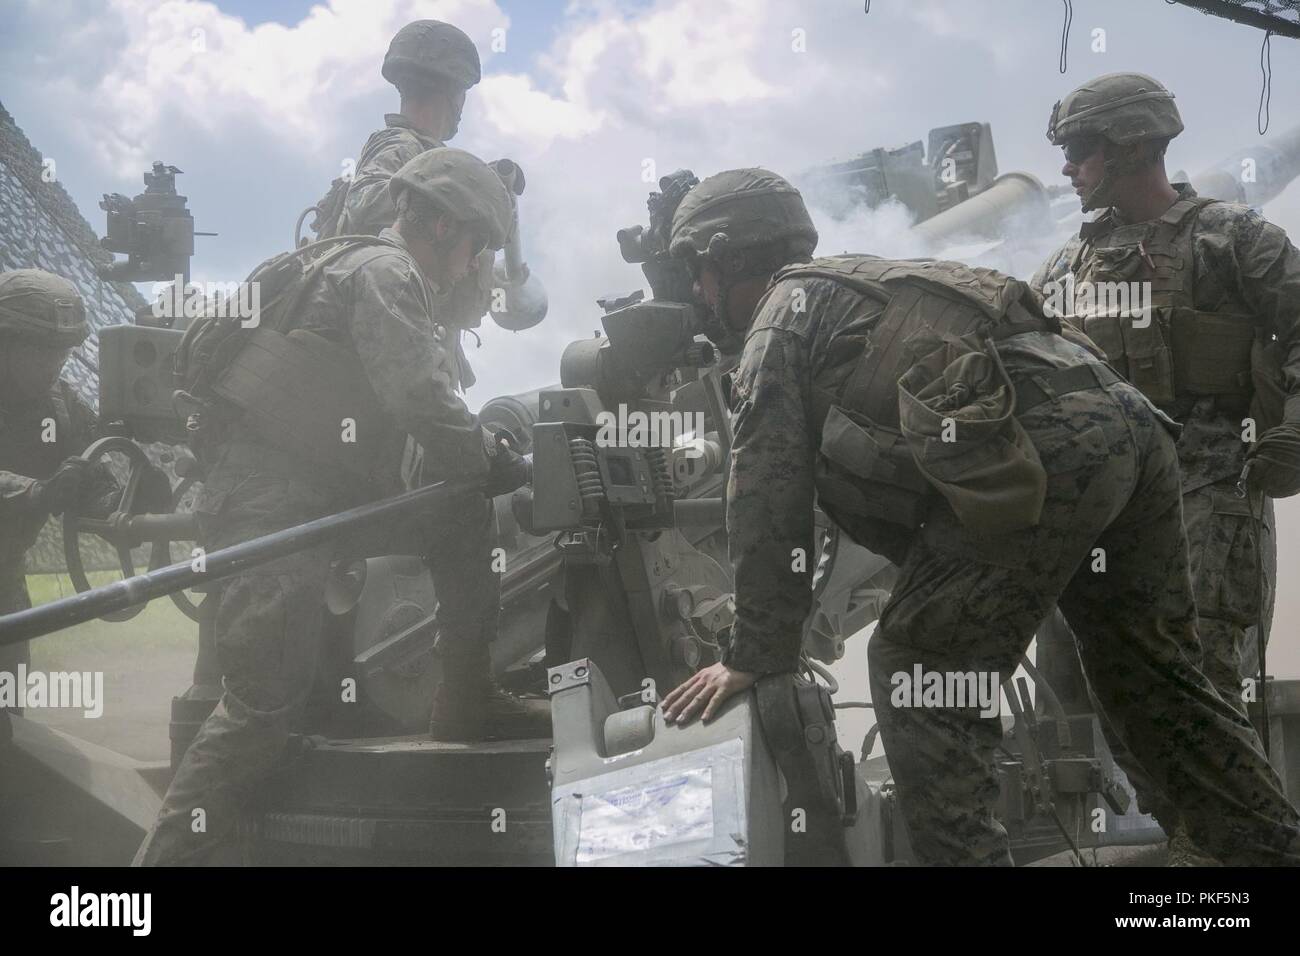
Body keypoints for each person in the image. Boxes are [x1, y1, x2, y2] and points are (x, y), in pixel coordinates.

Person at [659, 167, 1300, 866]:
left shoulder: (781, 321)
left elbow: (765, 496)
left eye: (699, 274)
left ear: (726, 259)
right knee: (1153, 674)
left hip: (1048, 451)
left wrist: (758, 652)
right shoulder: (867, 283)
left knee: (915, 668)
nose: (697, 294)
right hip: (1134, 433)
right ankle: (1263, 854)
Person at [133, 148, 542, 866]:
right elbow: (420, 398)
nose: (476, 263)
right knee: (262, 707)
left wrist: (474, 473)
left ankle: (466, 696)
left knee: (460, 516)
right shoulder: (385, 274)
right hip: (272, 510)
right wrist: (485, 461)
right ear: (445, 229)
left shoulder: (340, 261)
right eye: (478, 244)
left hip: (324, 497)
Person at [1032, 72, 1300, 862]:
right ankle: (1190, 843)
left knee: (1211, 680)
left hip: (1210, 491)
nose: (1068, 168)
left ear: (1134, 147)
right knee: (1113, 688)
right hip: (1103, 509)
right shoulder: (1061, 268)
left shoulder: (1233, 241)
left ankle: (1238, 855)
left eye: (1081, 150)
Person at [0, 269, 116, 706]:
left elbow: (94, 481)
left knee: (7, 724)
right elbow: (46, 491)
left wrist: (124, 501)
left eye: (61, 354)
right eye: (40, 352)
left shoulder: (62, 407)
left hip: (4, 583)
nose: (53, 366)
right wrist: (37, 492)